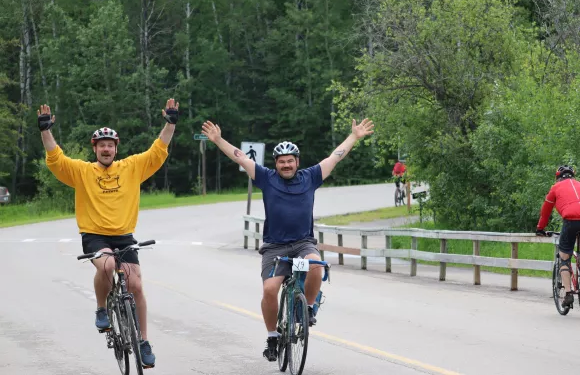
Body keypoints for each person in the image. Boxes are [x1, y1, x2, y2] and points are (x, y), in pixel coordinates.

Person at [201, 117, 374, 362]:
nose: (286, 165)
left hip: (303, 244)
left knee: (316, 265)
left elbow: (336, 156)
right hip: (275, 247)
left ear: (297, 162)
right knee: (270, 289)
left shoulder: (311, 177)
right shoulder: (266, 178)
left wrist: (354, 136)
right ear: (276, 164)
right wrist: (218, 140)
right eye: (282, 162)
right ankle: (272, 336)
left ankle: (309, 307)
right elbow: (240, 156)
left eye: (290, 161)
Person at [38, 98, 179, 368]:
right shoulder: (82, 171)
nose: (106, 149)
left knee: (136, 285)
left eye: (110, 145)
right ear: (95, 148)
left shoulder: (131, 168)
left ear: (116, 148)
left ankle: (143, 341)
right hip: (94, 235)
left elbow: (158, 150)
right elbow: (56, 159)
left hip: (124, 235)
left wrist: (170, 123)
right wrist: (45, 129)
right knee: (107, 265)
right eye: (101, 145)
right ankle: (102, 309)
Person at [536, 165, 580, 308]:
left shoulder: (555, 188)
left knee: (564, 257)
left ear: (558, 177)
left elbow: (546, 210)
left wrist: (540, 228)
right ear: (573, 176)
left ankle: (568, 294)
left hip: (571, 220)